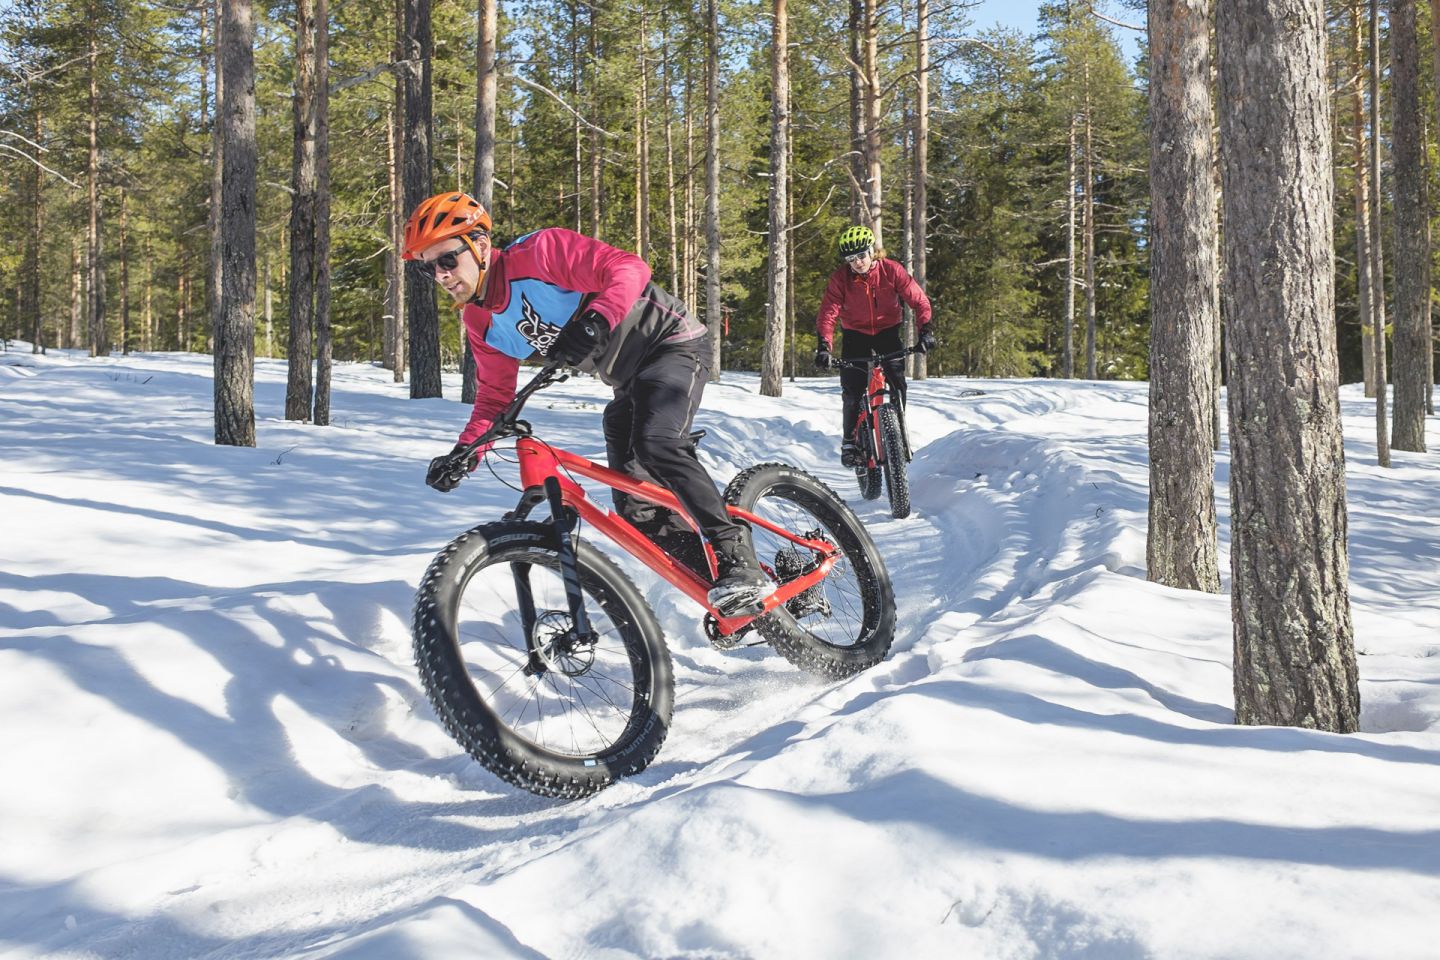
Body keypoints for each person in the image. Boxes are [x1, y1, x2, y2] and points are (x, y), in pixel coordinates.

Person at [404, 191, 773, 614]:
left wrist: (597, 318)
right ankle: (731, 594)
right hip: (629, 379)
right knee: (635, 507)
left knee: (656, 443)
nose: (440, 274)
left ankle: (737, 559)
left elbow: (629, 268)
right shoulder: (479, 321)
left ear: (481, 245)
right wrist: (465, 452)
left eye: (447, 260)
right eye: (428, 267)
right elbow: (493, 397)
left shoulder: (539, 253)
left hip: (672, 344)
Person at [813, 224, 935, 466]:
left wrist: (926, 331)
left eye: (861, 256)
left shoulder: (892, 271)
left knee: (898, 382)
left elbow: (919, 300)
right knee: (852, 390)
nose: (857, 262)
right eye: (851, 258)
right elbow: (828, 313)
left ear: (872, 252)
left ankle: (897, 431)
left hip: (887, 333)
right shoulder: (841, 279)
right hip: (855, 335)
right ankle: (849, 442)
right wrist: (824, 346)